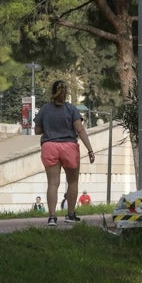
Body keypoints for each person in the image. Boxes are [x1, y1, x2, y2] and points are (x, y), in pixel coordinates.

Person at [34, 80, 95, 227]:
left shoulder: (45, 109)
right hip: (69, 147)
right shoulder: (71, 109)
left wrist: (50, 126)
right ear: (66, 93)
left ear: (52, 91)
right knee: (72, 182)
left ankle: (52, 217)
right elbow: (80, 130)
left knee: (53, 183)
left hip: (49, 146)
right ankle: (71, 214)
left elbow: (37, 131)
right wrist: (90, 149)